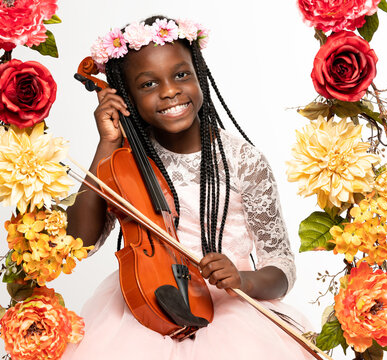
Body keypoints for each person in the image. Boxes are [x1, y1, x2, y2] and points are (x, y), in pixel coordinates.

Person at [64, 15, 314, 360]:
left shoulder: (243, 159)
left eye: (181, 75)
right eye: (148, 84)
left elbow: (282, 265)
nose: (169, 90)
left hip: (234, 316)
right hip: (144, 307)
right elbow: (80, 243)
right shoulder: (123, 161)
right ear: (126, 97)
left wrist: (244, 280)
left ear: (199, 76)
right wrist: (107, 143)